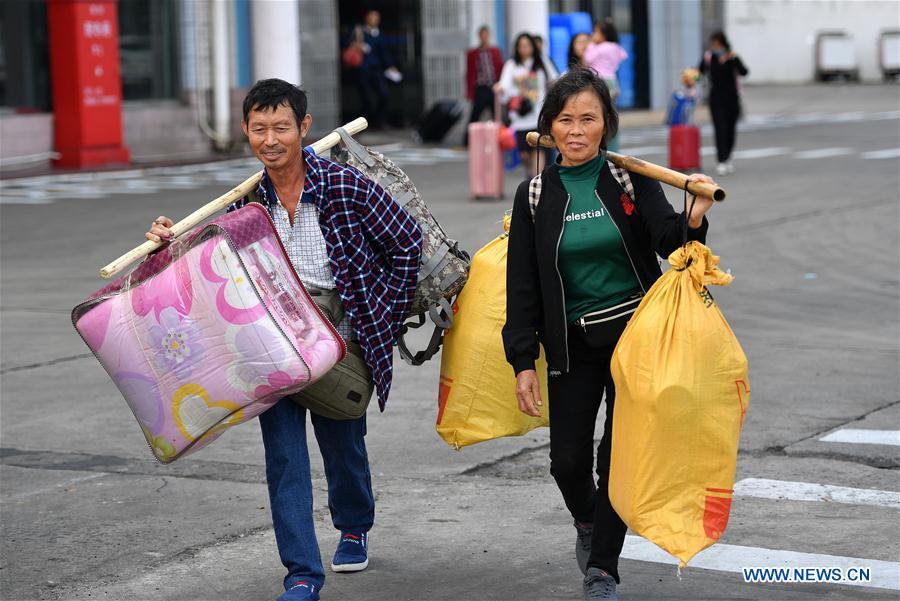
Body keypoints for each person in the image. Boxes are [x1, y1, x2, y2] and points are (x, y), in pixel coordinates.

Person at [147, 78, 423, 601]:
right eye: (259, 129)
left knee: (343, 447)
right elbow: (203, 258)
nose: (270, 140)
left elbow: (407, 241)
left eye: (280, 128)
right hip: (269, 346)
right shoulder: (247, 203)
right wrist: (168, 239)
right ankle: (301, 573)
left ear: (303, 128)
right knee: (285, 459)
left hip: (338, 341)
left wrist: (378, 317)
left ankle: (353, 522)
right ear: (247, 132)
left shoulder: (344, 186)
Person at [502, 67, 718, 601]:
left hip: (638, 339)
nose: (577, 130)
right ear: (549, 126)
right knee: (568, 462)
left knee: (616, 458)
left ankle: (603, 569)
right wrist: (523, 360)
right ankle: (588, 520)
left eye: (589, 119)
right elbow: (523, 285)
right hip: (572, 344)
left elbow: (668, 241)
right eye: (566, 119)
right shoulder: (534, 195)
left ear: (606, 125)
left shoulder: (627, 178)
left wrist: (693, 217)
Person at [494, 32, 553, 177]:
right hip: (520, 117)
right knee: (524, 154)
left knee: (539, 150)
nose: (524, 49)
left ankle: (537, 180)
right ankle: (530, 172)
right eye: (521, 46)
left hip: (538, 114)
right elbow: (505, 84)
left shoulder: (541, 63)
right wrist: (500, 88)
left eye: (527, 45)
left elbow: (553, 79)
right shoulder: (511, 65)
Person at [699, 30, 749, 175]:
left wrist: (734, 60)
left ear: (724, 44)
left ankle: (728, 157)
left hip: (732, 98)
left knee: (730, 129)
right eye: (713, 44)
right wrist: (690, 77)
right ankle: (721, 160)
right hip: (716, 99)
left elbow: (744, 72)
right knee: (719, 129)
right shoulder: (709, 57)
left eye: (718, 44)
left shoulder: (732, 57)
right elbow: (698, 72)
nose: (715, 47)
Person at [345, 9, 402, 130]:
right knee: (366, 98)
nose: (374, 20)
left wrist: (391, 66)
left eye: (377, 18)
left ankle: (379, 121)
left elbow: (384, 53)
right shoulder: (359, 32)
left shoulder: (379, 34)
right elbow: (346, 43)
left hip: (377, 70)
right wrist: (357, 45)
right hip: (362, 70)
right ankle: (363, 126)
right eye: (372, 17)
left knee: (384, 94)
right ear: (366, 18)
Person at [583, 19, 628, 151]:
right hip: (613, 82)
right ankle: (614, 149)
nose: (593, 34)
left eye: (596, 32)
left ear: (604, 34)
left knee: (598, 114)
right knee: (611, 115)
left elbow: (587, 59)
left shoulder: (599, 47)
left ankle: (601, 147)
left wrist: (590, 45)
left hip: (599, 81)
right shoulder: (615, 46)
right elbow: (623, 55)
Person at [464, 25, 504, 146]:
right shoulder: (473, 53)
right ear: (479, 36)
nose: (484, 37)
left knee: (497, 115)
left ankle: (502, 138)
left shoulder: (495, 51)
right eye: (482, 34)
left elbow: (500, 68)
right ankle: (467, 139)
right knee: (475, 115)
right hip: (480, 88)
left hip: (493, 87)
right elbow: (469, 73)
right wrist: (469, 92)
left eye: (486, 34)